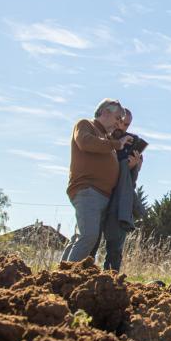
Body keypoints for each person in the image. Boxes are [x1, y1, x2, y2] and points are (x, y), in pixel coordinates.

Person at [61, 99, 132, 262]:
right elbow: (85, 142)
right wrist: (116, 144)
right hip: (88, 189)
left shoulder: (107, 139)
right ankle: (67, 278)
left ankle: (59, 274)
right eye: (117, 118)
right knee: (89, 236)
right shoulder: (85, 125)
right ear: (106, 112)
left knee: (81, 236)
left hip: (101, 195)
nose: (119, 123)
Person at [92, 108, 144, 271]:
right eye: (120, 122)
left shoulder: (133, 144)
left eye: (126, 124)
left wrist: (134, 167)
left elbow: (131, 181)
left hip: (121, 198)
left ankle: (111, 281)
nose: (122, 127)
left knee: (115, 246)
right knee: (91, 238)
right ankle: (82, 276)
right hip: (99, 193)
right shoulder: (102, 137)